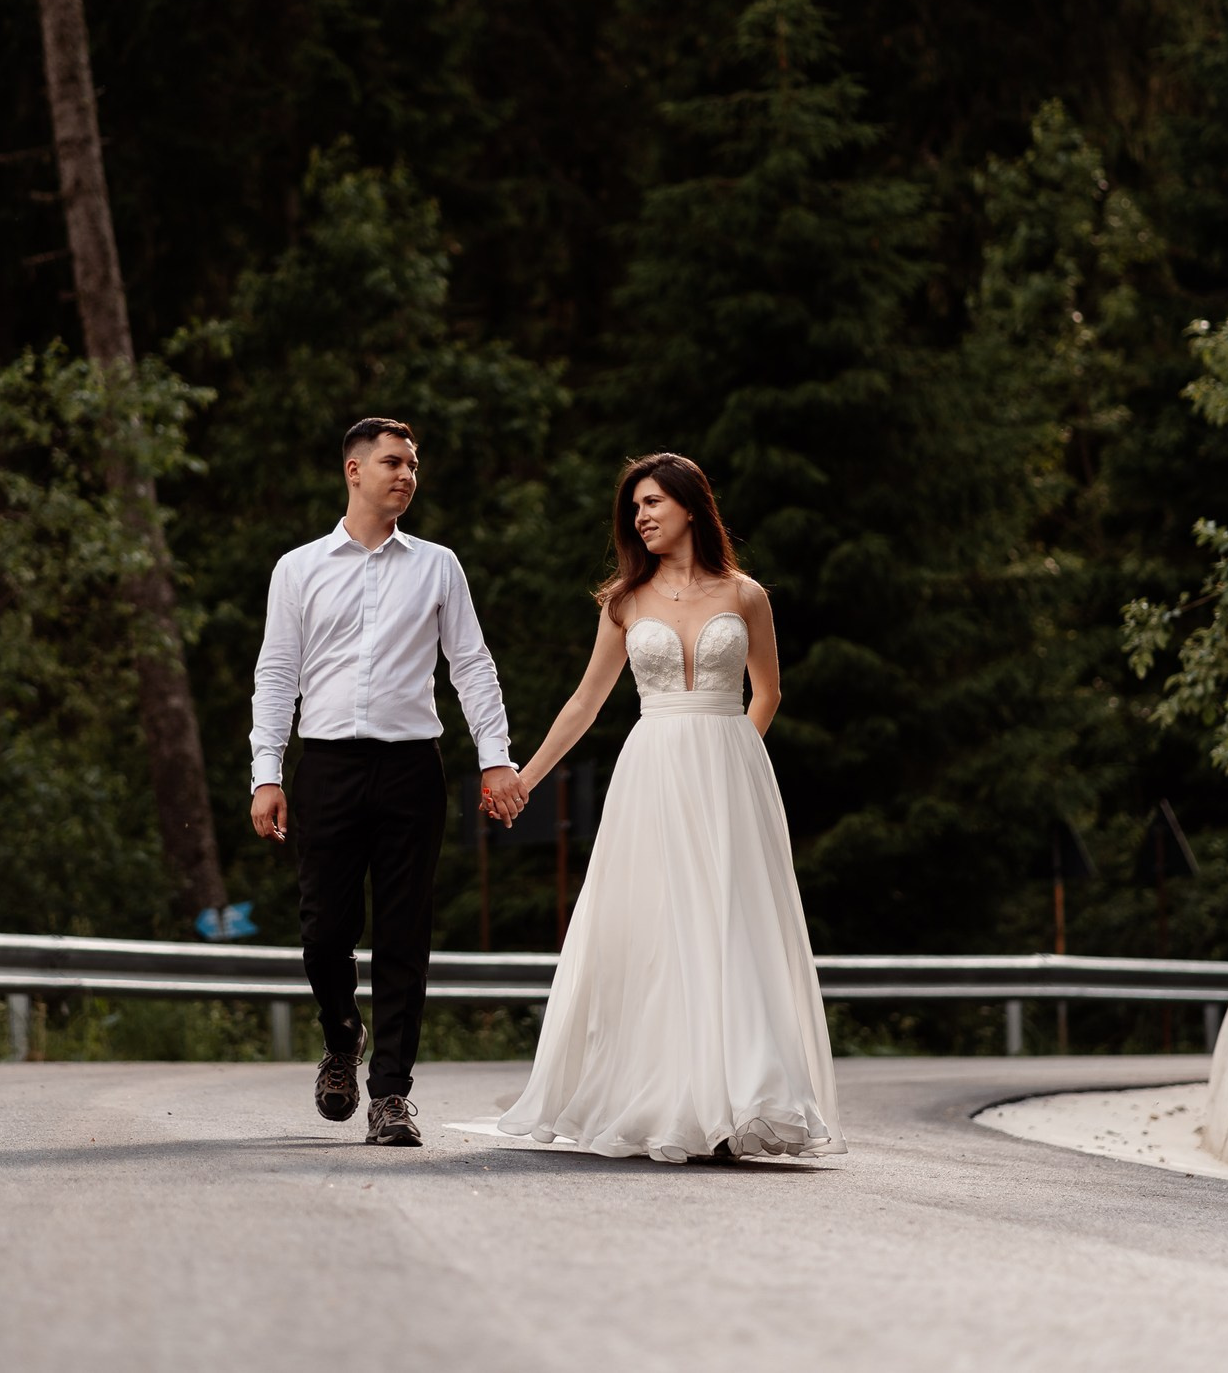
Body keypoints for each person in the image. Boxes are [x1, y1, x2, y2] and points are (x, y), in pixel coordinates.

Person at [496, 452, 843, 1162]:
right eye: (634, 508)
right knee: (657, 929)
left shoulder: (746, 595)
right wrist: (526, 778)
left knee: (730, 926)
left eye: (652, 502)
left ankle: (743, 1100)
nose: (640, 517)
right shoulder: (624, 600)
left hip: (730, 776)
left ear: (691, 505)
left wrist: (733, 760)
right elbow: (586, 702)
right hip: (651, 773)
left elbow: (768, 692)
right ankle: (668, 1100)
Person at [249, 417, 528, 1146]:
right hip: (327, 767)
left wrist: (495, 756)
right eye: (393, 462)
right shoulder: (298, 569)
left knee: (404, 934)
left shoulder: (438, 566)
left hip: (411, 769)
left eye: (412, 465)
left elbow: (472, 665)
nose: (406, 475)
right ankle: (342, 1035)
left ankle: (391, 1095)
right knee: (324, 933)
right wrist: (265, 772)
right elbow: (276, 674)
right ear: (354, 470)